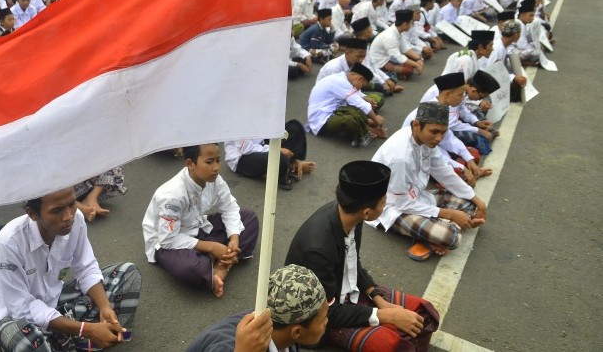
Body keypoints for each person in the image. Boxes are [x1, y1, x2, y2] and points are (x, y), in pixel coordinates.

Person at [285, 161, 440, 351]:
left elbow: (353, 264)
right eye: (384, 203)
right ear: (368, 212)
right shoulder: (318, 248)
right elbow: (328, 312)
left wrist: (378, 299)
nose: (386, 206)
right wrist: (386, 316)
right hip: (322, 318)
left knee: (423, 314)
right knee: (395, 345)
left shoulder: (350, 216)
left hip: (348, 295)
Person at [0, 187, 142, 351]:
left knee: (127, 273)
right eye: (57, 210)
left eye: (72, 203)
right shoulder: (9, 242)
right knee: (21, 337)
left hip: (54, 302)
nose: (68, 216)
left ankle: (90, 337)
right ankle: (77, 339)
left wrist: (105, 308)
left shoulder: (76, 219)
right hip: (16, 318)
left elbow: (86, 269)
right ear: (33, 214)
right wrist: (83, 329)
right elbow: (22, 309)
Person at [370, 102, 488, 260]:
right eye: (434, 132)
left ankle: (430, 232)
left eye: (443, 133)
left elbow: (444, 172)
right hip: (391, 209)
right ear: (417, 125)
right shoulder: (400, 157)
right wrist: (451, 215)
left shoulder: (425, 140)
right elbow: (401, 204)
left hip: (417, 197)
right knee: (451, 237)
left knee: (469, 204)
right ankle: (433, 233)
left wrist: (478, 201)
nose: (439, 138)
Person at [142, 143, 259, 298]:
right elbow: (167, 239)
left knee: (249, 218)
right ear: (190, 164)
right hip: (167, 241)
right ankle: (218, 260)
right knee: (191, 269)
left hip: (199, 226)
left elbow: (229, 207)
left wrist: (234, 238)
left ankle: (221, 268)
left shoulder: (215, 179)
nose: (216, 167)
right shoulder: (173, 195)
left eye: (218, 160)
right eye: (209, 162)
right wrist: (212, 247)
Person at [187, 264, 330, 352]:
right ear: (297, 332)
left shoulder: (284, 330)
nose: (326, 321)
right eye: (323, 319)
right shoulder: (225, 347)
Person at [307, 63, 386, 147]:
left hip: (336, 109)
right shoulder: (340, 82)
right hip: (321, 119)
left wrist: (367, 101)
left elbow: (356, 95)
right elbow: (360, 104)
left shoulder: (344, 78)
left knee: (364, 107)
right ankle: (367, 130)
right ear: (359, 79)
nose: (360, 89)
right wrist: (376, 121)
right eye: (362, 85)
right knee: (350, 120)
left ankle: (366, 124)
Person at [224, 120, 315, 191]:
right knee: (279, 159)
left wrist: (291, 154)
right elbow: (246, 149)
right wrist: (276, 149)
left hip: (262, 144)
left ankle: (292, 163)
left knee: (295, 127)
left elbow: (274, 130)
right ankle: (287, 170)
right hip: (242, 157)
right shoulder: (238, 117)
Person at [368, 9, 424, 79]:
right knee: (408, 70)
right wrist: (416, 64)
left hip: (389, 57)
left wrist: (418, 59)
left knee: (410, 64)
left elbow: (405, 48)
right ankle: (387, 74)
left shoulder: (397, 30)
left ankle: (395, 73)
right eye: (410, 23)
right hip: (380, 61)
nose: (411, 25)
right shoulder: (390, 36)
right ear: (405, 24)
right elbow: (396, 57)